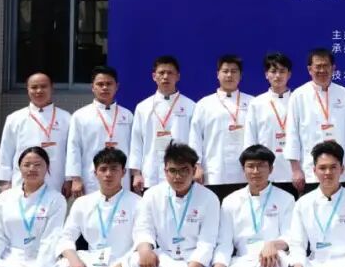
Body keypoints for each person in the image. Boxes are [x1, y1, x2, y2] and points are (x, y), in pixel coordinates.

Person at [124, 142, 220, 267]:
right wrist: (145, 250)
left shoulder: (209, 198)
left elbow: (207, 243)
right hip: (166, 256)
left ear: (194, 170)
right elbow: (143, 228)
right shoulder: (152, 195)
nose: (178, 176)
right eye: (173, 170)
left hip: (195, 261)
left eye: (184, 170)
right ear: (165, 171)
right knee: (135, 261)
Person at [208, 145, 295, 267]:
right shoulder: (231, 201)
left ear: (271, 169)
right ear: (243, 169)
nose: (256, 171)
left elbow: (290, 236)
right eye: (251, 166)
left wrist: (273, 244)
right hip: (242, 261)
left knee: (273, 260)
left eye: (261, 166)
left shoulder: (285, 198)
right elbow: (224, 243)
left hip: (273, 257)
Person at [51, 148, 139, 267]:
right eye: (103, 169)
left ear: (123, 172)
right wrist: (74, 260)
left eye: (114, 169)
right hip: (92, 263)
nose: (108, 174)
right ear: (95, 172)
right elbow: (66, 236)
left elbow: (140, 244)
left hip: (121, 265)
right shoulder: (82, 203)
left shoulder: (137, 202)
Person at [286, 49, 345, 195]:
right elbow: (292, 133)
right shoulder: (299, 95)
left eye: (326, 66)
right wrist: (296, 169)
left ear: (333, 68)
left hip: (340, 170)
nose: (322, 70)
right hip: (310, 171)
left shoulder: (344, 94)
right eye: (318, 66)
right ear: (310, 69)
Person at [189, 55, 254, 201]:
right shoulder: (204, 104)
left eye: (234, 71)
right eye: (225, 71)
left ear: (241, 75)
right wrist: (196, 165)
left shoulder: (252, 103)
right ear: (217, 74)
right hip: (214, 172)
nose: (229, 75)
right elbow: (195, 138)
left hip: (246, 173)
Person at [0, 72, 71, 197]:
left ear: (52, 88)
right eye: (34, 87)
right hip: (22, 179)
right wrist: (5, 181)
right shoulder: (14, 118)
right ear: (28, 89)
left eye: (43, 86)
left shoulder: (66, 118)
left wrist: (69, 179)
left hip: (56, 179)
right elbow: (6, 151)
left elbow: (71, 152)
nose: (39, 91)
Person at [128, 56, 195, 193]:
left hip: (181, 173)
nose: (165, 77)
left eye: (170, 73)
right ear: (154, 76)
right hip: (150, 173)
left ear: (178, 76)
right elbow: (136, 142)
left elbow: (195, 142)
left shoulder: (191, 106)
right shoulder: (143, 107)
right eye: (161, 73)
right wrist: (136, 174)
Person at [66, 65, 133, 198]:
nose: (105, 87)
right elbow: (74, 148)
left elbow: (134, 148)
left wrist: (134, 175)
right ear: (93, 87)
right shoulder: (80, 115)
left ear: (117, 86)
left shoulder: (127, 115)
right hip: (91, 176)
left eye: (109, 84)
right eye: (100, 84)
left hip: (121, 176)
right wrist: (75, 178)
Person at [243, 52, 296, 197]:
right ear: (266, 74)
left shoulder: (298, 100)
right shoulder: (257, 103)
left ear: (289, 74)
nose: (277, 76)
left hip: (294, 172)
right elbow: (250, 139)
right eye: (273, 71)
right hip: (265, 172)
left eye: (282, 71)